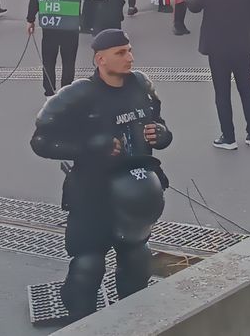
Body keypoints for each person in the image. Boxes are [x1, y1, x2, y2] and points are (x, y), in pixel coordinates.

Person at [30, 29, 172, 322]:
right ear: (100, 59)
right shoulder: (78, 95)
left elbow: (159, 122)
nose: (129, 57)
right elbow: (41, 142)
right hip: (92, 195)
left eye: (130, 50)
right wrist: (89, 147)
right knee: (88, 265)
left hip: (136, 195)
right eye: (121, 53)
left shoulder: (141, 85)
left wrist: (162, 134)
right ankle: (81, 322)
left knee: (137, 259)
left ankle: (133, 320)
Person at [187, 0, 250, 150]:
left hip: (217, 48)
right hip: (242, 45)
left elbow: (193, 6)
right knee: (247, 90)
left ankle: (228, 138)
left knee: (222, 93)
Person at [29, 0, 84, 96]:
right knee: (68, 61)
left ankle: (49, 92)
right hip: (70, 24)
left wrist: (30, 19)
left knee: (48, 60)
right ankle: (66, 92)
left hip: (49, 24)